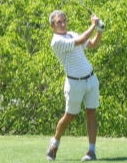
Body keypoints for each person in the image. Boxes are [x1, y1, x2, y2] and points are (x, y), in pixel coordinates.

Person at [46, 10, 103, 161]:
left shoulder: (71, 33)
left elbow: (91, 44)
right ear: (52, 25)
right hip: (74, 83)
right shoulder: (56, 42)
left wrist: (99, 30)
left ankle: (91, 151)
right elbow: (81, 40)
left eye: (64, 20)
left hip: (90, 79)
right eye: (59, 22)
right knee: (69, 116)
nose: (63, 24)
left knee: (91, 113)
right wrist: (93, 25)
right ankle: (55, 143)